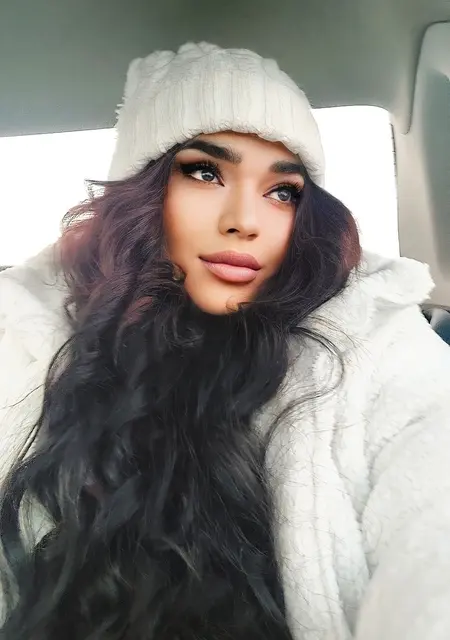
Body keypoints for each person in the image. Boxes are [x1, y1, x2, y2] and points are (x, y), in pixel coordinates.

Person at [0, 42, 449, 640]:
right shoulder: (21, 330)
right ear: (144, 193)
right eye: (205, 173)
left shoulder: (373, 338)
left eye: (282, 191)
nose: (245, 220)